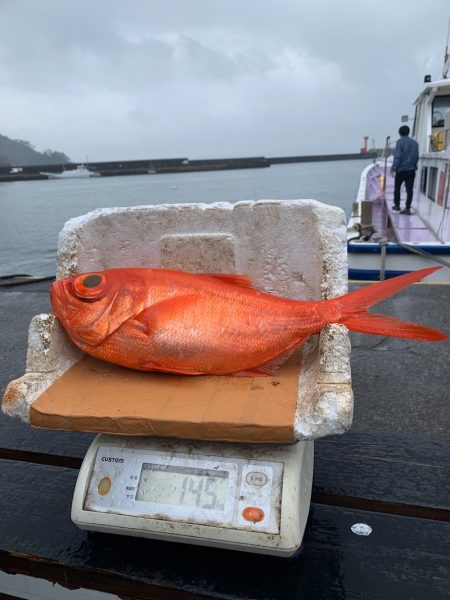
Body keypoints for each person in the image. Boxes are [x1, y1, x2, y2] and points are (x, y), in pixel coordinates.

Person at [390, 125, 419, 215]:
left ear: (400, 133)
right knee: (409, 189)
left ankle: (397, 205)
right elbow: (416, 157)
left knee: (397, 188)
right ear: (408, 132)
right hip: (411, 170)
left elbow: (397, 157)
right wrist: (413, 166)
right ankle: (407, 208)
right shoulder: (415, 143)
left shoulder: (400, 143)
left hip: (401, 170)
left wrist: (393, 169)